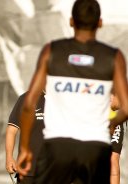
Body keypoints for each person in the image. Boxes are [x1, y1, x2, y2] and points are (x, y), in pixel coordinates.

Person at [16, 0, 128, 183]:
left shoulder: (51, 51)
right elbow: (126, 107)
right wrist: (112, 123)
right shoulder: (114, 57)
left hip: (58, 148)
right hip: (95, 149)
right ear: (100, 23)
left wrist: (25, 148)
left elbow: (29, 105)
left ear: (71, 22)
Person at [5, 92, 45, 184]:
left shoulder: (63, 99)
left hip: (56, 169)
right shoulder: (26, 99)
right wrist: (9, 157)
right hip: (27, 169)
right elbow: (12, 130)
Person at [110, 94, 126, 184]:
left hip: (113, 118)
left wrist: (112, 101)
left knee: (113, 158)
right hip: (90, 119)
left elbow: (121, 103)